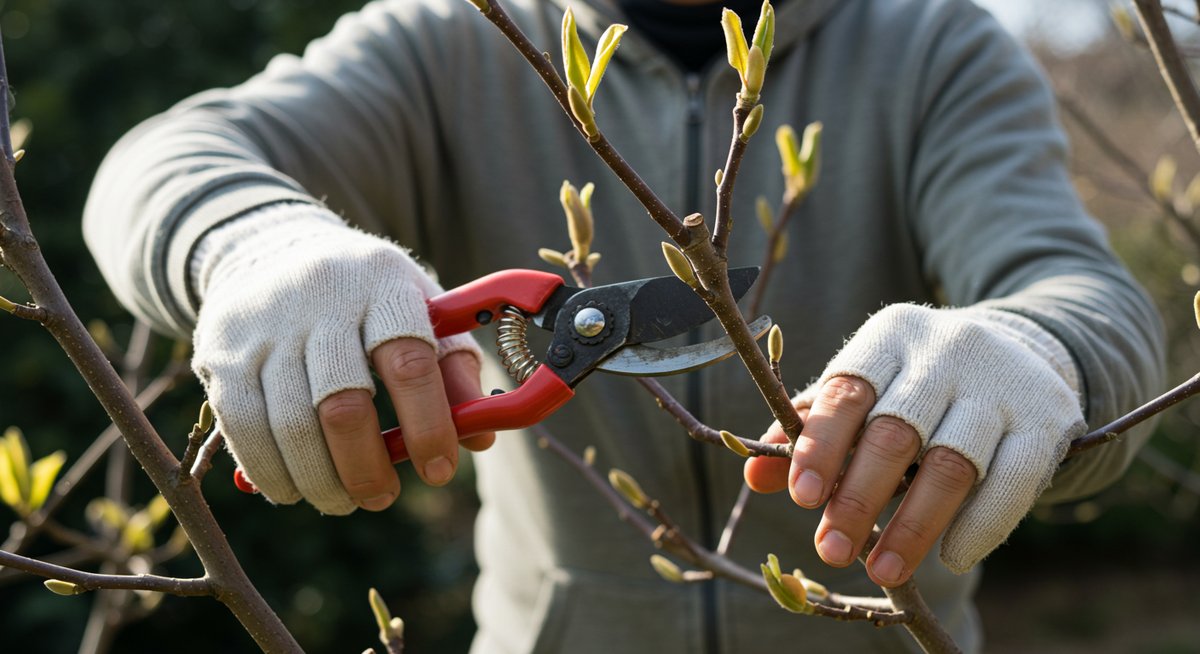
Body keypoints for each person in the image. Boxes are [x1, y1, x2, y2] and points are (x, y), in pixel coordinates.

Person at [82, 0, 1164, 651]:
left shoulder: (936, 46)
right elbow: (160, 162)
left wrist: (1036, 351)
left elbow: (1076, 289)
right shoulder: (460, 37)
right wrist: (261, 247)